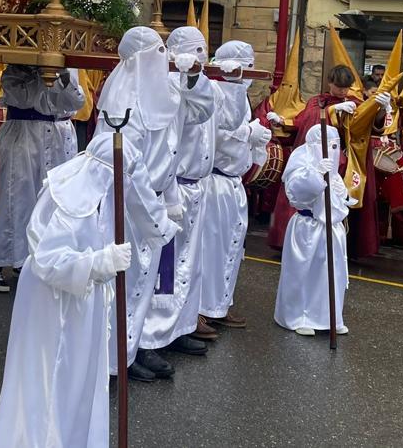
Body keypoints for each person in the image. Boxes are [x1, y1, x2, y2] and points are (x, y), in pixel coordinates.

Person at [0, 134, 165, 448]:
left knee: (80, 382)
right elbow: (46, 259)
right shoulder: (70, 200)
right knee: (52, 382)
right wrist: (99, 263)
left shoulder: (98, 195)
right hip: (54, 305)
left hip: (82, 302)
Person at [91, 26, 213, 383]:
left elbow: (198, 113)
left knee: (145, 282)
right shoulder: (121, 106)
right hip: (129, 206)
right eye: (157, 54)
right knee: (122, 283)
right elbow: (126, 170)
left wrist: (194, 77)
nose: (165, 61)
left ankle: (133, 349)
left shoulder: (165, 94)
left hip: (156, 200)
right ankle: (112, 359)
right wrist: (155, 216)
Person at [139, 27, 224, 359]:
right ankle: (151, 335)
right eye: (195, 51)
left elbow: (206, 110)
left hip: (196, 189)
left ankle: (180, 327)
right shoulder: (166, 88)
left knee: (191, 264)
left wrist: (195, 77)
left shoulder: (199, 84)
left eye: (205, 51)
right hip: (174, 189)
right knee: (165, 269)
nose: (201, 57)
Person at [0, 64, 85, 293]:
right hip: (24, 132)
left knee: (53, 202)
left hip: (58, 134)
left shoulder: (67, 67)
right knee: (17, 198)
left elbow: (76, 102)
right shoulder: (16, 68)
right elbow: (22, 97)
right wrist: (40, 75)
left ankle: (38, 260)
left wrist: (65, 81)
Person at [199, 40, 272, 335]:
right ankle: (200, 308)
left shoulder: (241, 95)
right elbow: (212, 136)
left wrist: (258, 140)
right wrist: (247, 133)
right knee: (209, 247)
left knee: (231, 245)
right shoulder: (214, 91)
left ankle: (220, 303)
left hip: (233, 183)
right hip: (215, 181)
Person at [266, 65, 361, 250]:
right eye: (339, 87)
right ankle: (287, 239)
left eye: (346, 88)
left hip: (335, 161)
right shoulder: (316, 101)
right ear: (330, 83)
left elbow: (357, 130)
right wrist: (282, 121)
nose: (343, 91)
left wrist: (336, 112)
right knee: (302, 191)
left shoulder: (352, 103)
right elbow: (303, 121)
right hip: (310, 154)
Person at [274, 124, 349, 337]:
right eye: (327, 145)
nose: (331, 150)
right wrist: (315, 175)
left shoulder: (332, 168)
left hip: (332, 230)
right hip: (308, 228)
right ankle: (298, 315)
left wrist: (341, 195)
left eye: (336, 146)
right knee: (302, 272)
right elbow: (296, 192)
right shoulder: (301, 162)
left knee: (331, 274)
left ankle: (329, 316)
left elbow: (341, 198)